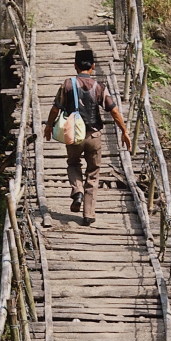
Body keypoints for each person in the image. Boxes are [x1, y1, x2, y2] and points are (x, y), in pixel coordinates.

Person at [44, 49, 131, 225]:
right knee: (93, 172)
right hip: (94, 136)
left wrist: (48, 126)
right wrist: (124, 131)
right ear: (93, 66)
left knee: (73, 163)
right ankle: (89, 214)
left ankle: (77, 191)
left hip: (73, 135)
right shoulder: (99, 87)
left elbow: (55, 108)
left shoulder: (67, 84)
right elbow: (113, 110)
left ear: (75, 66)